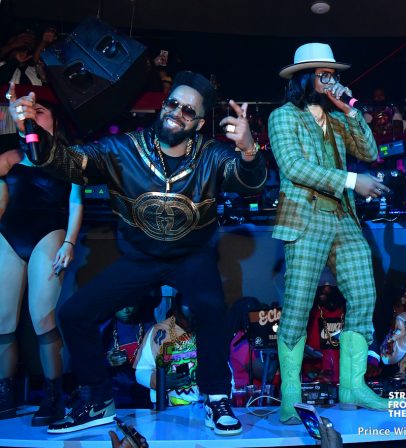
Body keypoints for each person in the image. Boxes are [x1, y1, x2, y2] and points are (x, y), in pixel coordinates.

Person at [6, 70, 266, 435]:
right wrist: (28, 131)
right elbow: (67, 162)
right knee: (74, 314)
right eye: (173, 104)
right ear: (163, 106)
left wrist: (249, 149)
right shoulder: (122, 149)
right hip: (141, 257)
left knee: (211, 308)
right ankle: (98, 399)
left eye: (187, 111)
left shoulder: (211, 154)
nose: (176, 113)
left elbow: (250, 184)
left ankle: (216, 397)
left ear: (199, 123)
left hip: (191, 256)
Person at [268, 42, 390, 424]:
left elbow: (370, 151)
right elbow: (293, 166)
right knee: (298, 304)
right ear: (305, 78)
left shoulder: (337, 117)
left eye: (333, 74)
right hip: (306, 218)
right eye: (324, 74)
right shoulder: (283, 116)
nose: (331, 79)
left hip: (343, 218)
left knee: (364, 294)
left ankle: (353, 386)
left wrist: (349, 110)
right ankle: (290, 395)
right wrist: (352, 180)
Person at [0, 99, 83, 425]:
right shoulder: (11, 157)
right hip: (9, 235)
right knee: (3, 322)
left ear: (55, 123)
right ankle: (5, 391)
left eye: (40, 112)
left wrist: (69, 242)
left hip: (48, 234)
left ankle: (54, 393)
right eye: (28, 113)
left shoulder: (68, 159)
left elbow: (76, 202)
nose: (32, 115)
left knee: (42, 319)